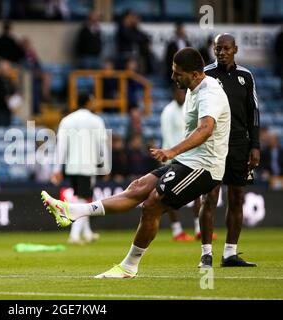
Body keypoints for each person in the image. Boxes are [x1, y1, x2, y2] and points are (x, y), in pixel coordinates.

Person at [41, 48, 231, 278]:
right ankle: (72, 211)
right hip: (187, 161)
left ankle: (129, 266)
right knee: (137, 187)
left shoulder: (209, 93)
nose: (173, 77)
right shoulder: (193, 88)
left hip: (204, 167)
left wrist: (172, 150)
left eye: (177, 73)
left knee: (152, 205)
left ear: (195, 74)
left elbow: (206, 129)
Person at [199, 34, 260, 268]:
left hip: (239, 145)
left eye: (226, 48)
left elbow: (253, 112)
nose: (221, 52)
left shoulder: (246, 76)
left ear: (235, 49)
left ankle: (230, 254)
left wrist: (255, 146)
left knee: (237, 197)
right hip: (214, 143)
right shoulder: (206, 75)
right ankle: (206, 253)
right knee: (210, 197)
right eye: (217, 49)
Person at [50, 92, 109, 245]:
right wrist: (106, 167)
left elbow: (61, 146)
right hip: (88, 166)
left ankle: (87, 233)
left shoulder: (67, 120)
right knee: (83, 199)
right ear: (89, 102)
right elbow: (103, 146)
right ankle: (74, 235)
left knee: (83, 198)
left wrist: (57, 169)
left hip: (72, 166)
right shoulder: (96, 121)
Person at [161, 85, 201, 241]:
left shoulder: (188, 108)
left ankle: (199, 228)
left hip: (189, 156)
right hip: (172, 159)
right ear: (173, 94)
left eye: (182, 92)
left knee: (197, 192)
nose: (181, 95)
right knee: (169, 194)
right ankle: (177, 231)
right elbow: (168, 137)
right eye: (177, 92)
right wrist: (174, 155)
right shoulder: (167, 112)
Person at [0, 60, 19, 126]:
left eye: (8, 69)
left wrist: (15, 96)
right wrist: (5, 98)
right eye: (6, 70)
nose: (8, 71)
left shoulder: (9, 80)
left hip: (7, 111)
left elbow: (13, 91)